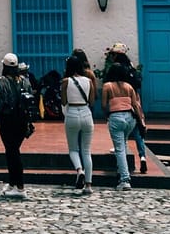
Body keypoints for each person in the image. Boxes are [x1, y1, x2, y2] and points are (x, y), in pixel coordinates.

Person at [0, 52, 30, 199]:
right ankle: (13, 184)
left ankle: (20, 187)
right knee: (13, 151)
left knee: (12, 152)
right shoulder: (25, 81)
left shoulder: (2, 81)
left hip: (7, 121)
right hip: (22, 121)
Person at [101, 62, 145, 191]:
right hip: (130, 118)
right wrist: (141, 121)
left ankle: (125, 179)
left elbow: (104, 105)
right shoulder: (129, 87)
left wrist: (107, 115)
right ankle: (121, 170)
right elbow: (135, 105)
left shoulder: (107, 86)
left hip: (116, 117)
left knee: (119, 148)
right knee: (124, 144)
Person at [105, 42, 148, 172]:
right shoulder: (131, 67)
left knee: (121, 133)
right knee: (137, 131)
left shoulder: (116, 68)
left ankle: (123, 171)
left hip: (121, 101)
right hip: (134, 99)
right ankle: (142, 156)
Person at [61, 52, 95, 195]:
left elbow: (63, 101)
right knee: (86, 151)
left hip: (72, 112)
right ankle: (88, 185)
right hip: (86, 113)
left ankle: (79, 170)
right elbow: (92, 101)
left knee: (73, 149)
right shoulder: (89, 81)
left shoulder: (65, 81)